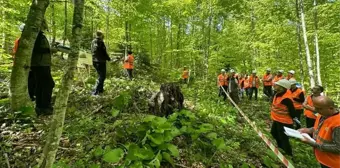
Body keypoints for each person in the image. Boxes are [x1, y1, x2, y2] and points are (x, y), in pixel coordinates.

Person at [298, 96, 340, 168]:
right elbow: (318, 128)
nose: (316, 111)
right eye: (315, 108)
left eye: (319, 109)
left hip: (333, 163)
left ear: (331, 108)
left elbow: (338, 148)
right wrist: (308, 130)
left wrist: (313, 144)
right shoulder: (322, 114)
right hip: (323, 159)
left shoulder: (338, 124)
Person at [30, 19, 55, 115]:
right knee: (49, 84)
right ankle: (45, 106)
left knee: (40, 85)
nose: (45, 25)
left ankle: (40, 106)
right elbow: (35, 49)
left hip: (41, 64)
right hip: (40, 64)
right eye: (44, 23)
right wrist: (49, 50)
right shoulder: (36, 35)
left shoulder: (39, 35)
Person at [270, 79, 296, 156]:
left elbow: (293, 112)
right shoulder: (278, 93)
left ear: (282, 87)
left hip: (284, 122)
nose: (275, 86)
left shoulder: (286, 99)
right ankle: (281, 149)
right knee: (274, 133)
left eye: (277, 85)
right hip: (277, 119)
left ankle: (288, 154)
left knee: (284, 139)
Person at [12, 23, 36, 102]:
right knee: (29, 80)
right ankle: (29, 96)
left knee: (30, 80)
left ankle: (31, 95)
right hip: (23, 64)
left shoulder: (20, 40)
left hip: (24, 63)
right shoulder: (21, 40)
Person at [91, 31, 110, 95]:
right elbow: (104, 52)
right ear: (101, 35)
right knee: (102, 76)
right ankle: (95, 91)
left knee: (100, 76)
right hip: (101, 61)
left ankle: (101, 90)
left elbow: (92, 51)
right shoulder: (101, 42)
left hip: (94, 61)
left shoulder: (93, 41)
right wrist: (108, 58)